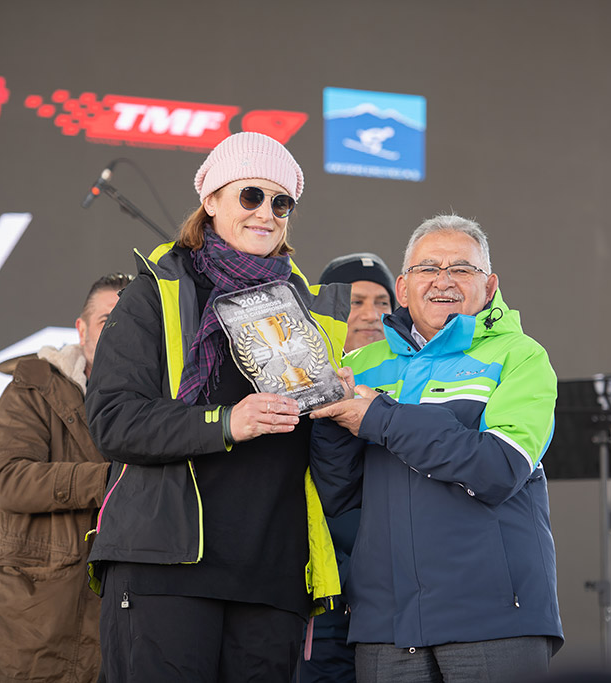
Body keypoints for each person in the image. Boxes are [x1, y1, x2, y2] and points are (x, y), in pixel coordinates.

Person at [84, 132, 349, 682]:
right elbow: (114, 420)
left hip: (273, 577)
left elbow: (320, 457)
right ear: (210, 202)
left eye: (281, 203)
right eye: (250, 195)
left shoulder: (309, 309)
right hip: (167, 569)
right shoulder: (154, 293)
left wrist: (337, 405)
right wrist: (228, 420)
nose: (267, 213)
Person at [309, 215, 563, 683]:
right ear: (403, 288)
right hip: (386, 626)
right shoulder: (359, 365)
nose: (443, 280)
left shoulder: (521, 356)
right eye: (428, 268)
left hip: (495, 622)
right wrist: (328, 418)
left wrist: (379, 418)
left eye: (461, 269)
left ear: (488, 287)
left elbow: (498, 468)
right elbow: (340, 495)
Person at [0, 272, 132, 683]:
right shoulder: (32, 388)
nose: (121, 332)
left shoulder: (158, 400)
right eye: (108, 321)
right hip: (29, 621)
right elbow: (9, 482)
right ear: (81, 330)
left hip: (113, 623)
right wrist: (114, 480)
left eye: (131, 322)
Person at [297, 252, 396, 683]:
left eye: (382, 302)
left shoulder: (412, 379)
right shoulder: (293, 379)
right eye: (356, 301)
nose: (371, 315)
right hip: (320, 589)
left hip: (389, 594)